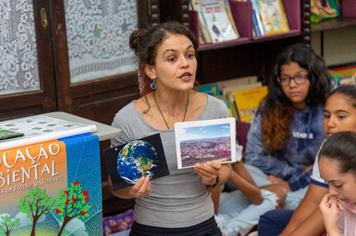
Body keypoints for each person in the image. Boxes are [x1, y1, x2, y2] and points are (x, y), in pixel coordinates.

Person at [110, 21, 231, 236]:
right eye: (172, 58)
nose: (185, 64)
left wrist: (212, 178)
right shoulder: (127, 119)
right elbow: (117, 187)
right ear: (151, 70)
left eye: (190, 55)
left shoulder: (215, 109)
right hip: (150, 229)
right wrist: (133, 190)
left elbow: (226, 170)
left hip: (204, 227)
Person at [258, 84, 356, 236]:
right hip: (337, 219)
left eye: (341, 116)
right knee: (271, 220)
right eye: (326, 115)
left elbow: (322, 212)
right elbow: (314, 201)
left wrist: (330, 225)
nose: (330, 123)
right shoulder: (328, 147)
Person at [244, 43, 332, 210]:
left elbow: (335, 161)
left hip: (315, 181)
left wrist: (292, 183)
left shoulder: (329, 106)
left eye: (300, 76)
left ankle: (271, 201)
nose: (292, 85)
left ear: (313, 77)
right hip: (274, 178)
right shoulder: (269, 107)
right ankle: (277, 199)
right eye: (285, 79)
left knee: (326, 188)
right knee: (241, 172)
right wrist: (286, 178)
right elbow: (254, 156)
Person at [214, 158, 286, 236]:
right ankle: (228, 231)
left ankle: (229, 230)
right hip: (208, 214)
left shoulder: (227, 151)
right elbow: (211, 214)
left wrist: (233, 170)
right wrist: (215, 180)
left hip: (220, 205)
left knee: (278, 192)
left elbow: (258, 199)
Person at [318, 131, 356, 236]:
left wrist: (331, 226)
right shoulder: (344, 204)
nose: (331, 192)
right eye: (327, 183)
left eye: (338, 185)